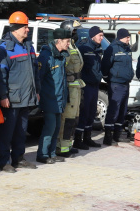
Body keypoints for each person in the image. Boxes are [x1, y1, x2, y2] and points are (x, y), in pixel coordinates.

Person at [0, 12, 40, 172]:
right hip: (12, 99)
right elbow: (0, 76)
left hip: (27, 97)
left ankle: (19, 159)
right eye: (25, 27)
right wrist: (3, 96)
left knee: (21, 131)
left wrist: (37, 91)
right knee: (7, 132)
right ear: (16, 28)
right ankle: (3, 161)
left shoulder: (29, 46)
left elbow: (35, 72)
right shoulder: (4, 49)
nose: (28, 30)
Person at [37, 28, 70, 164]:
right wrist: (39, 94)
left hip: (59, 98)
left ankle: (51, 153)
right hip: (49, 97)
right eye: (67, 41)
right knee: (50, 126)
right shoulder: (46, 56)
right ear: (59, 41)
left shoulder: (61, 55)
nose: (69, 44)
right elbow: (39, 77)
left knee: (56, 126)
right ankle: (42, 154)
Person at [56, 19, 85, 158]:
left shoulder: (73, 46)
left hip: (76, 87)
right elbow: (61, 67)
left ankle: (68, 145)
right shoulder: (65, 47)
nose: (76, 34)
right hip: (69, 87)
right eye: (74, 31)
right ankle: (62, 148)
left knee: (74, 118)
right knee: (67, 119)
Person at [101, 28, 134, 145]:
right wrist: (108, 78)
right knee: (114, 110)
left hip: (125, 83)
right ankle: (108, 136)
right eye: (127, 37)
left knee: (123, 110)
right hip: (116, 84)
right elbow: (105, 65)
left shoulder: (127, 49)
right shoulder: (112, 48)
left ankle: (117, 134)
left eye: (129, 37)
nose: (129, 39)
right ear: (121, 37)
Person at [74, 26, 104, 149]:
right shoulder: (84, 48)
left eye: (102, 35)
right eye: (100, 35)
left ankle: (87, 137)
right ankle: (77, 139)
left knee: (92, 112)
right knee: (84, 113)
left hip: (95, 85)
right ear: (93, 36)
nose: (101, 38)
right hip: (86, 85)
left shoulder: (98, 49)